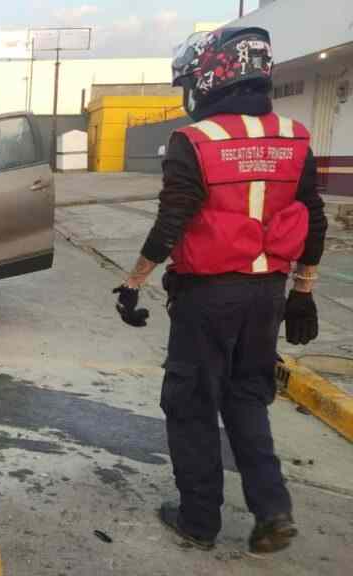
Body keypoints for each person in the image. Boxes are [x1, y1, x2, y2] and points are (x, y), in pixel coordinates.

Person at [113, 27, 327, 554]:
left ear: (213, 76)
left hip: (208, 296)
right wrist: (303, 291)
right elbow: (314, 221)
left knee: (190, 403)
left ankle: (199, 519)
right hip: (267, 294)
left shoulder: (197, 141)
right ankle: (272, 509)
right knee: (247, 397)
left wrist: (133, 281)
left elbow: (172, 223)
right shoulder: (294, 137)